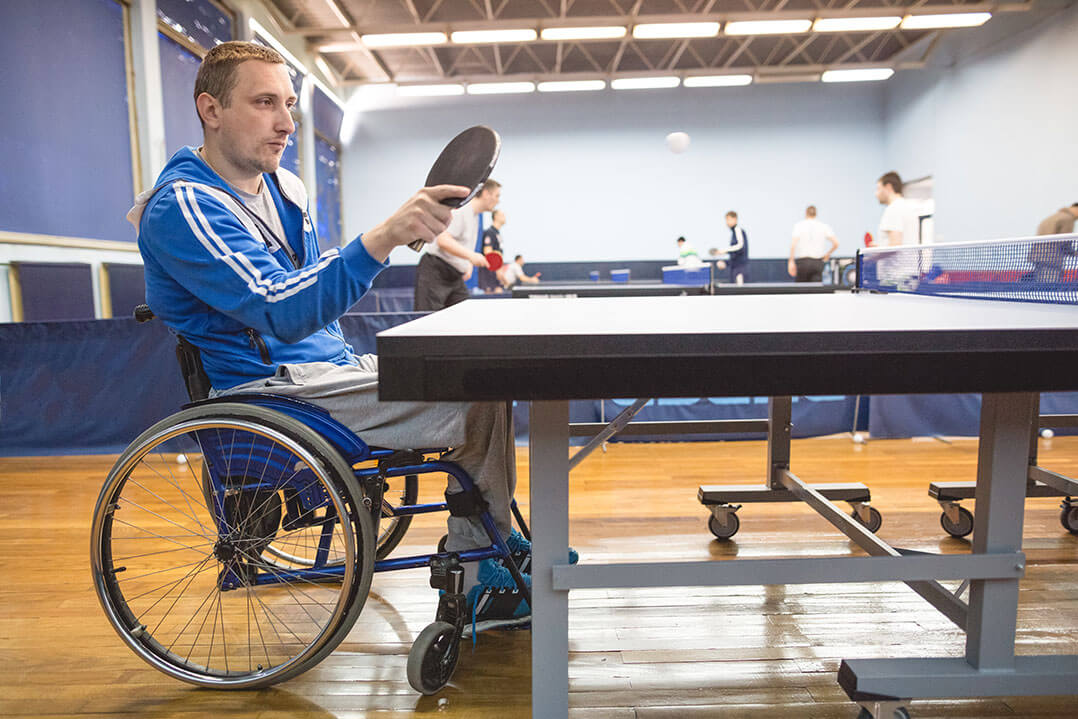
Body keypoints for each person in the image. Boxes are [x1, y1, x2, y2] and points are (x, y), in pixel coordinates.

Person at [127, 41, 548, 626]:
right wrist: (382, 238)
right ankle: (480, 564)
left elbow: (306, 290)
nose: (285, 123)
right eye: (264, 102)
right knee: (473, 389)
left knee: (480, 369)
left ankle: (490, 543)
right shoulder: (183, 208)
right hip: (270, 391)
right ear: (211, 109)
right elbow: (279, 308)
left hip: (325, 372)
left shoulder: (284, 190)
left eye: (290, 104)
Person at [414, 179, 502, 310]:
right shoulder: (462, 210)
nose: (498, 201)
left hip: (455, 276)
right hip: (436, 271)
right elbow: (443, 240)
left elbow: (464, 244)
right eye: (497, 196)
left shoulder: (475, 216)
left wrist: (468, 265)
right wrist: (471, 256)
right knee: (427, 321)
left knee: (463, 317)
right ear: (485, 193)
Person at [788, 205, 839, 282]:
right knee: (816, 290)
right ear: (816, 214)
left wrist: (791, 261)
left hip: (803, 262)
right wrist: (828, 254)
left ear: (806, 213)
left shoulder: (799, 226)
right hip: (817, 262)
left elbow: (793, 245)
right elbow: (836, 243)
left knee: (801, 290)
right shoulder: (823, 226)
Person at [1030, 203, 1078, 282]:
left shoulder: (1055, 216)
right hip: (1051, 260)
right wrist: (1075, 253)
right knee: (1048, 287)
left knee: (1040, 287)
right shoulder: (1068, 219)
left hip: (1037, 256)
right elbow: (1064, 242)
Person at [873, 172, 920, 247]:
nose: (876, 194)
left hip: (897, 259)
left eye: (878, 189)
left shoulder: (893, 209)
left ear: (888, 187)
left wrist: (871, 254)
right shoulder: (908, 207)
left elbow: (895, 246)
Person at [477, 209, 506, 294]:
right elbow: (488, 253)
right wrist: (498, 270)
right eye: (503, 215)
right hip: (489, 273)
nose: (505, 217)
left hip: (496, 271)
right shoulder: (489, 232)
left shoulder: (498, 234)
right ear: (496, 217)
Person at [722, 211, 749, 284]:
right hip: (734, 268)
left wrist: (724, 251)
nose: (727, 222)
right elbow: (734, 255)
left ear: (735, 219)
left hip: (740, 269)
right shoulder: (733, 233)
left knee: (740, 291)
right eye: (726, 220)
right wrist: (726, 263)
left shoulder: (738, 230)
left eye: (729, 219)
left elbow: (740, 246)